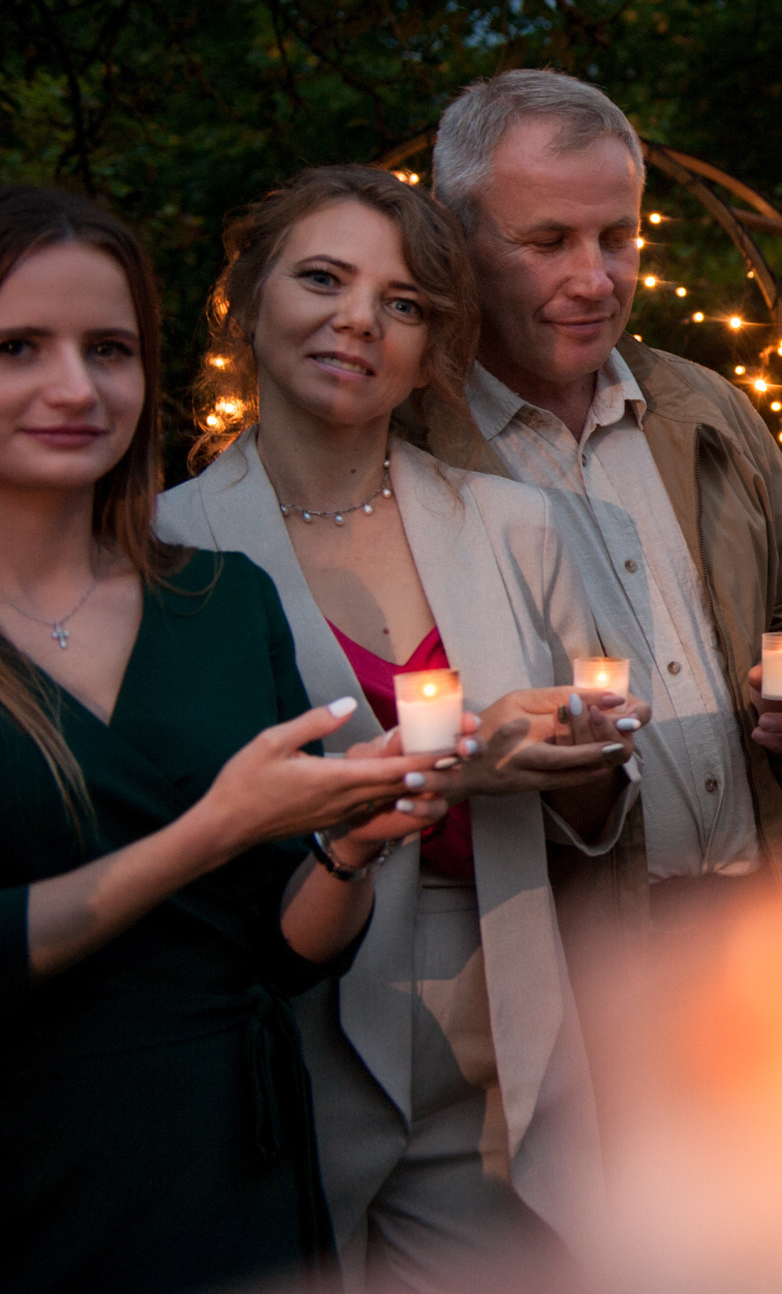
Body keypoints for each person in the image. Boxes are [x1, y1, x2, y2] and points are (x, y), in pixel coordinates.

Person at [160, 168, 644, 1287]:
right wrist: (459, 762)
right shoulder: (164, 547)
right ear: (245, 301)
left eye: (406, 301)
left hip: (498, 1010)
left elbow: (604, 807)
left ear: (434, 344)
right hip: (283, 1018)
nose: (358, 320)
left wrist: (569, 763)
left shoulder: (523, 528)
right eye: (322, 278)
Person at [0, 187, 449, 1293]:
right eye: (19, 347)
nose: (75, 386)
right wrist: (214, 827)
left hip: (228, 1161)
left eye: (109, 348)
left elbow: (280, 947)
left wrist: (353, 840)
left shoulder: (218, 599)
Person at [404, 70, 782, 909]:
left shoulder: (706, 408)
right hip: (580, 945)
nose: (595, 279)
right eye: (548, 243)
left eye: (616, 236)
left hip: (774, 920)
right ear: (456, 242)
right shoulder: (415, 452)